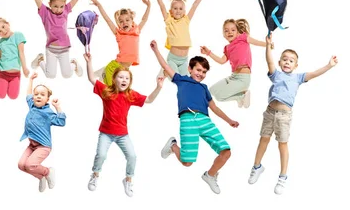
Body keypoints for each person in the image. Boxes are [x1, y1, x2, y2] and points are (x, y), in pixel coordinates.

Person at [247, 34, 338, 195]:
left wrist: (329, 65)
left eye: (291, 60)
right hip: (269, 112)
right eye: (284, 59)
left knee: (282, 144)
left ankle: (282, 176)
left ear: (296, 65)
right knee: (263, 139)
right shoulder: (276, 74)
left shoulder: (298, 77)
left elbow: (315, 73)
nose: (287, 62)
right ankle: (257, 167)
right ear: (280, 62)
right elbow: (269, 61)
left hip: (284, 116)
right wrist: (268, 46)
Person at [150, 39, 239, 195]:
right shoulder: (181, 79)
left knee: (226, 152)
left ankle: (210, 175)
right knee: (187, 162)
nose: (201, 74)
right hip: (188, 119)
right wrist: (156, 50)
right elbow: (165, 66)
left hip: (205, 120)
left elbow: (215, 108)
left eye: (204, 72)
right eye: (198, 70)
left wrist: (229, 120)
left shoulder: (204, 88)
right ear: (190, 69)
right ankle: (173, 146)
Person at [83, 52, 164, 197]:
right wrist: (89, 62)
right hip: (106, 133)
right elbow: (91, 78)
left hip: (122, 135)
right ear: (114, 80)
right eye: (120, 77)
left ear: (129, 81)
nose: (123, 79)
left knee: (132, 156)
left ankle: (128, 180)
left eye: (126, 78)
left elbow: (149, 100)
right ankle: (95, 175)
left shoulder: (130, 95)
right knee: (101, 155)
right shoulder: (106, 91)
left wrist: (158, 87)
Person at [19, 0, 92, 79]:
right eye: (55, 6)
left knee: (67, 74)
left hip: (64, 49)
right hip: (51, 49)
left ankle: (74, 64)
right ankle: (40, 60)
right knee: (50, 75)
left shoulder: (66, 10)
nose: (59, 9)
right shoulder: (45, 12)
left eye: (61, 6)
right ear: (50, 4)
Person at [146, 0, 209, 79]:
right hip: (173, 59)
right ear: (171, 11)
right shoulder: (169, 20)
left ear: (184, 11)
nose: (178, 11)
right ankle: (165, 69)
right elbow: (161, 6)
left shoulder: (186, 20)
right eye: (175, 8)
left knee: (185, 81)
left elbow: (195, 5)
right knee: (175, 79)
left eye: (180, 9)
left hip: (184, 59)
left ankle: (166, 69)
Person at [201, 19, 266, 108]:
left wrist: (268, 44)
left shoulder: (242, 38)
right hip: (233, 77)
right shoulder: (227, 48)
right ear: (224, 35)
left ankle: (241, 96)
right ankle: (239, 98)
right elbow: (221, 61)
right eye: (226, 31)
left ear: (237, 32)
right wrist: (208, 53)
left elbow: (257, 42)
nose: (229, 32)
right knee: (211, 91)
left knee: (220, 97)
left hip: (243, 79)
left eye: (233, 30)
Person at [18, 72, 66, 192]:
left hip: (43, 146)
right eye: (36, 94)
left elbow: (61, 122)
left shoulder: (48, 112)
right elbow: (28, 94)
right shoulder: (32, 105)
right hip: (32, 145)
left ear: (47, 99)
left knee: (30, 165)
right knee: (21, 165)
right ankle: (41, 177)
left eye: (42, 95)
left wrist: (57, 107)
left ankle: (48, 171)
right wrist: (30, 80)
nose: (38, 96)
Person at [88, 0, 151, 86]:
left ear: (132, 22)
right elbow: (108, 20)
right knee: (111, 91)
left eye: (127, 20)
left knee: (119, 90)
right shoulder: (119, 33)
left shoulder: (136, 31)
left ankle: (102, 72)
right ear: (119, 24)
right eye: (121, 21)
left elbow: (144, 19)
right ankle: (104, 71)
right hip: (114, 67)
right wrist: (99, 5)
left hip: (124, 70)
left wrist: (148, 6)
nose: (124, 22)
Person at [0, 4, 30, 99]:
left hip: (15, 74)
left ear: (8, 24)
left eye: (3, 27)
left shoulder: (18, 35)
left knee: (13, 96)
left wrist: (25, 68)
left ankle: (10, 83)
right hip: (3, 73)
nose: (3, 31)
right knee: (1, 95)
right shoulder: (0, 43)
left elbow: (21, 53)